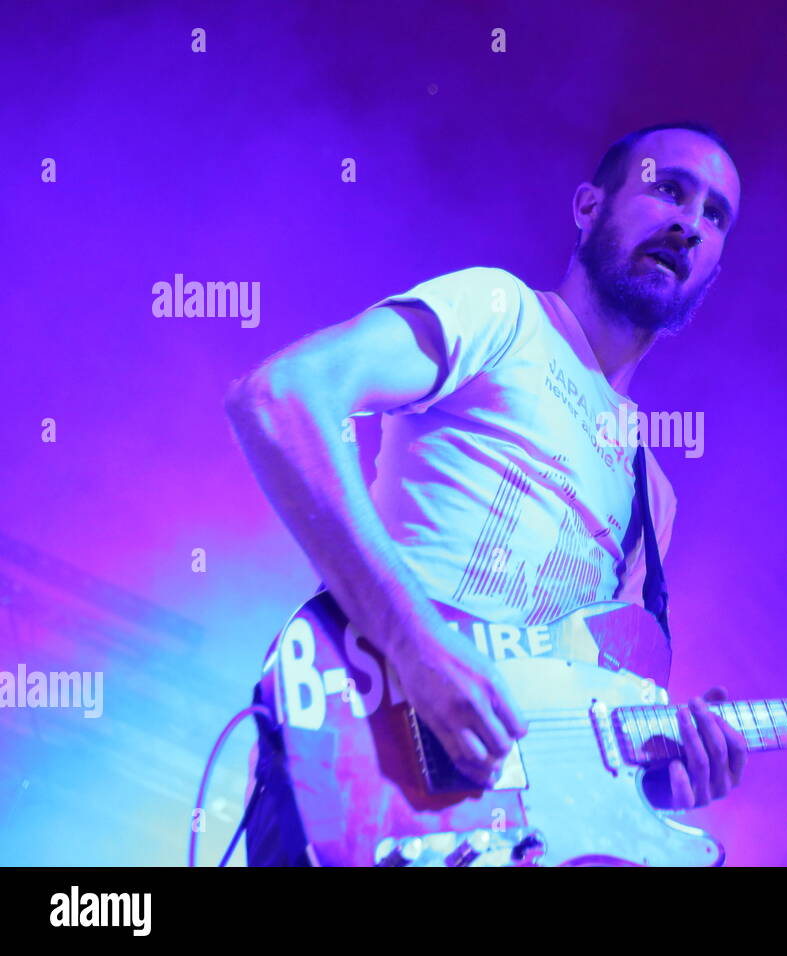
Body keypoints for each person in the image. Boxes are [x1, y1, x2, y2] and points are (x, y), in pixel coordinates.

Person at [224, 122, 746, 865]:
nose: (689, 224)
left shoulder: (651, 500)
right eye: (668, 188)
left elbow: (581, 725)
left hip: (500, 834)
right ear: (588, 206)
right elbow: (281, 398)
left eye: (715, 215)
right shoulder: (503, 315)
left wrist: (660, 781)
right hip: (365, 766)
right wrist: (414, 643)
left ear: (714, 270)